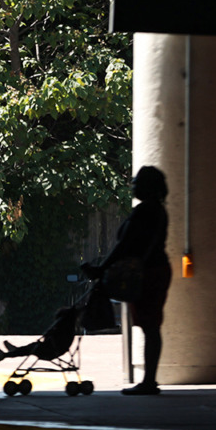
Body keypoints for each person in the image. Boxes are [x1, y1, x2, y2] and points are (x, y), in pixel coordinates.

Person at [82, 166, 171, 396]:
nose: (133, 185)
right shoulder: (159, 211)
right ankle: (149, 380)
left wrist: (101, 269)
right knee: (152, 326)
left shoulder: (144, 212)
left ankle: (149, 381)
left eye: (138, 182)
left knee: (150, 326)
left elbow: (124, 245)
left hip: (147, 273)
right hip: (157, 269)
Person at [0, 306, 79, 363]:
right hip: (53, 349)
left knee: (32, 348)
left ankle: (5, 355)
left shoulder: (62, 330)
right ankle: (16, 350)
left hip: (51, 351)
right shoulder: (68, 329)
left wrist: (49, 334)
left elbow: (51, 338)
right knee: (32, 347)